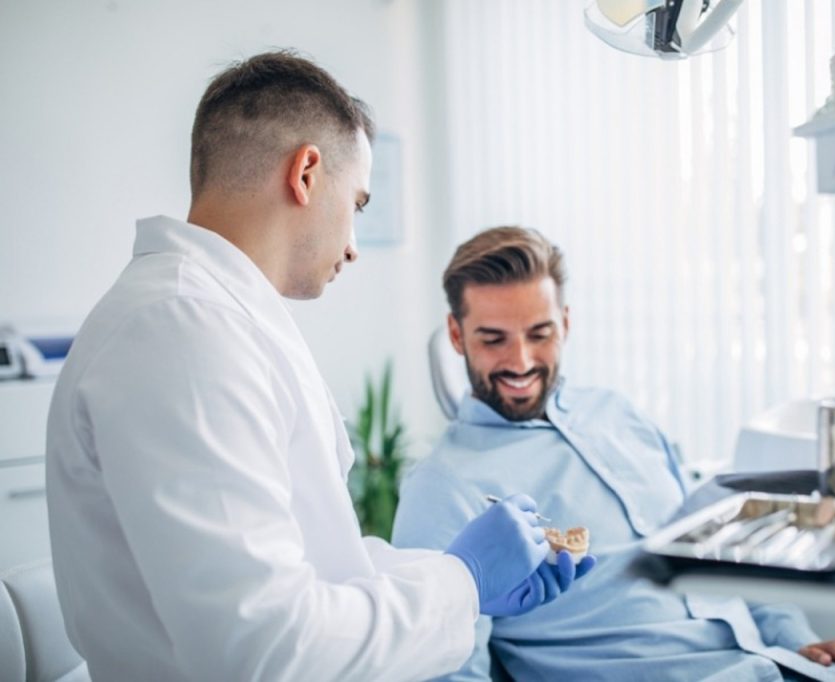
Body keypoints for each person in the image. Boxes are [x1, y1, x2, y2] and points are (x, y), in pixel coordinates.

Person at [45, 53, 591, 681]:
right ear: (306, 173)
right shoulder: (181, 330)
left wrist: (462, 585)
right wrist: (464, 580)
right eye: (357, 202)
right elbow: (264, 648)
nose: (354, 247)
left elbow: (316, 566)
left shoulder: (216, 319)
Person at [392, 226, 835, 682]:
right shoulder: (443, 486)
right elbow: (449, 668)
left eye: (539, 334)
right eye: (493, 340)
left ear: (565, 324)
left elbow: (718, 547)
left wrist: (800, 641)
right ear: (457, 335)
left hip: (780, 665)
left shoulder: (618, 415)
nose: (521, 360)